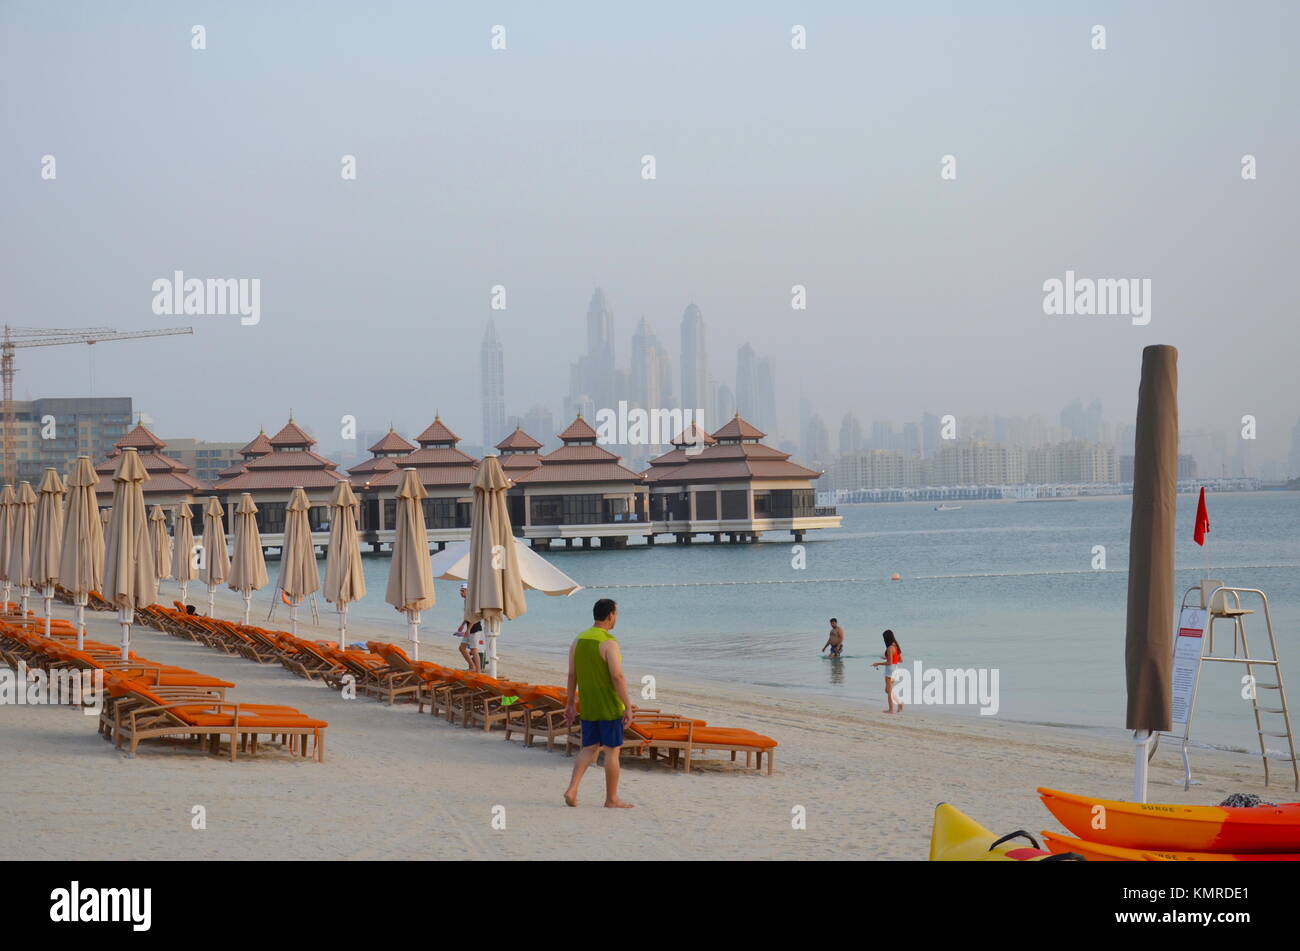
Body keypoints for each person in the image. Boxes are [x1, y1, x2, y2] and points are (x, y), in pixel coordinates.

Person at [563, 598, 634, 809]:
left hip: (588, 704)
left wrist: (570, 703)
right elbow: (617, 676)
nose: (616, 618)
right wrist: (628, 705)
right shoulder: (608, 642)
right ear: (611, 615)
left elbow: (571, 674)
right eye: (616, 614)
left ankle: (572, 789)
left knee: (589, 748)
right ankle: (612, 799)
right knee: (612, 750)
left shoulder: (578, 640)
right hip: (609, 705)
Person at [872, 629, 904, 713]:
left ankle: (891, 710)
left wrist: (878, 663)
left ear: (887, 638)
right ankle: (900, 704)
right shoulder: (896, 646)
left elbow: (889, 663)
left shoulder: (890, 648)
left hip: (890, 671)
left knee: (889, 692)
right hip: (895, 669)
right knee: (887, 690)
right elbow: (901, 660)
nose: (883, 640)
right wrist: (887, 658)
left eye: (884, 638)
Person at [454, 583, 482, 672]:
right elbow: (467, 616)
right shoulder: (466, 601)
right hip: (469, 628)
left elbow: (475, 616)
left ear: (468, 591)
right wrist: (462, 625)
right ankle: (472, 666)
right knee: (462, 648)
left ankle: (478, 671)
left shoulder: (472, 602)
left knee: (474, 650)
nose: (461, 592)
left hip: (475, 628)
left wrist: (468, 629)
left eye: (463, 591)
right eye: (460, 591)